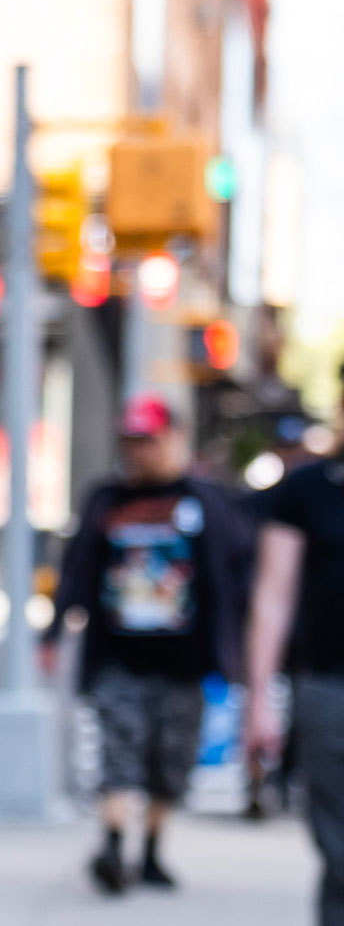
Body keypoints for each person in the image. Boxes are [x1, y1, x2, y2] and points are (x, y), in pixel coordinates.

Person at [40, 392, 249, 896]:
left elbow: (236, 573)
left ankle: (152, 851)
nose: (137, 452)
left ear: (174, 439)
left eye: (148, 442)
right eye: (130, 442)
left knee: (169, 761)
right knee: (119, 752)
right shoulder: (107, 500)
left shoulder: (205, 500)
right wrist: (53, 632)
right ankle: (112, 846)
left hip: (184, 660)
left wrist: (235, 653)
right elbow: (78, 569)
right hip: (117, 655)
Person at [245, 380, 344, 926]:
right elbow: (272, 598)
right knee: (340, 851)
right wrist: (259, 699)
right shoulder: (305, 490)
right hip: (328, 689)